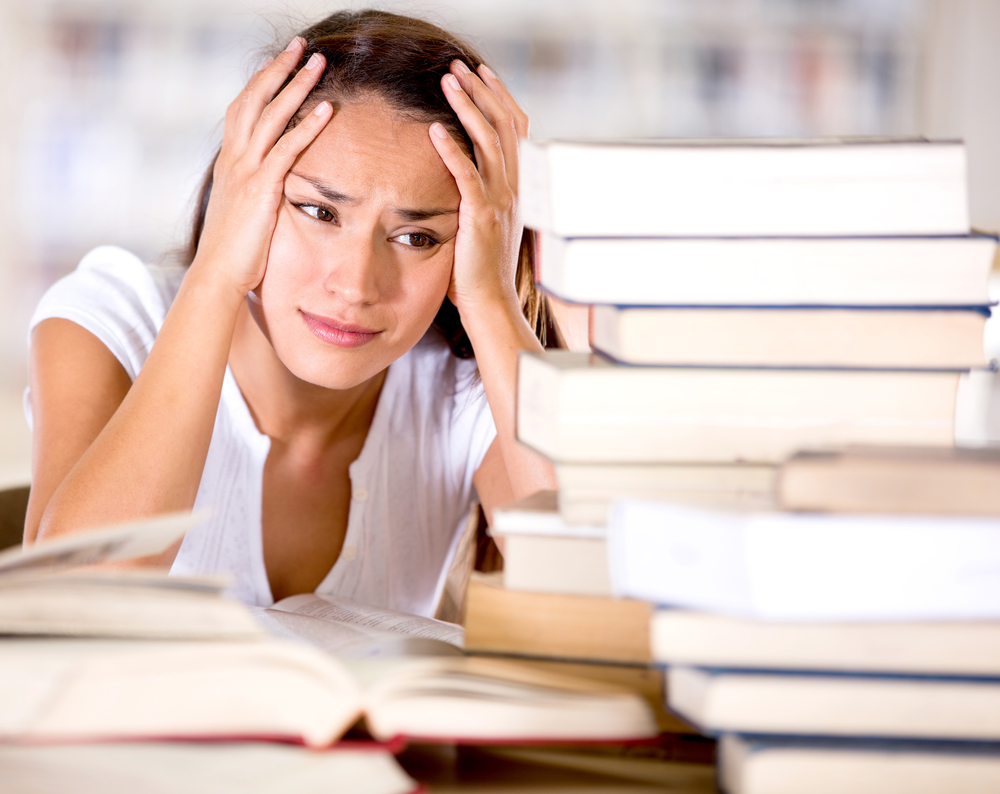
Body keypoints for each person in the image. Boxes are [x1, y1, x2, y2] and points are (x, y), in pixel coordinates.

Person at [23, 10, 560, 616]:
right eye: (319, 212)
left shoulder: (466, 385)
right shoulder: (112, 317)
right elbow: (67, 601)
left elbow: (597, 584)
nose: (356, 285)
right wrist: (217, 274)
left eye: (418, 238)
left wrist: (493, 301)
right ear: (244, 194)